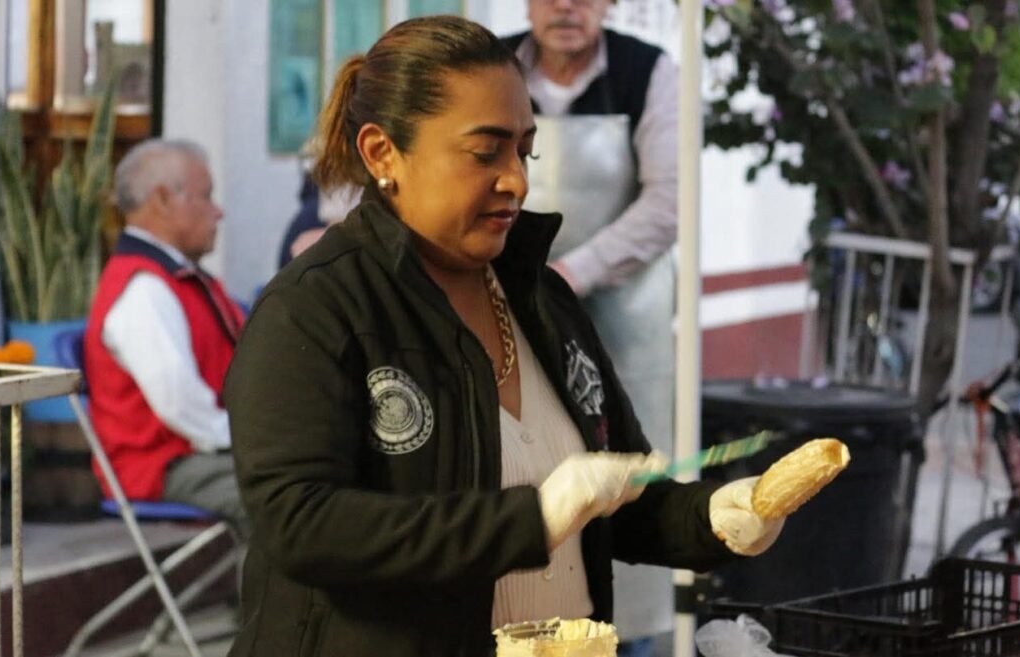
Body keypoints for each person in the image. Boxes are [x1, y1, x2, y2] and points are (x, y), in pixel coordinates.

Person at [225, 16, 783, 657]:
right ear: (383, 153)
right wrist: (534, 518)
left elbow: (619, 497)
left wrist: (715, 517)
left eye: (525, 149)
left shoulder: (543, 300)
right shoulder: (316, 308)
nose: (516, 178)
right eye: (484, 152)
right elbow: (302, 523)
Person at [502, 2, 681, 653]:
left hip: (621, 329)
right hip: (504, 314)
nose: (566, 7)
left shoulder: (648, 71)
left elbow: (668, 200)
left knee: (622, 484)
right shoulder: (492, 64)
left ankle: (629, 639)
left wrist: (570, 272)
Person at [84, 139, 248, 535]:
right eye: (206, 196)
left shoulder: (174, 276)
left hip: (194, 452)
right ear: (161, 200)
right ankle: (272, 600)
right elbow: (182, 406)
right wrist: (264, 441)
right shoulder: (144, 289)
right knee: (289, 498)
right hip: (165, 463)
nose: (218, 210)